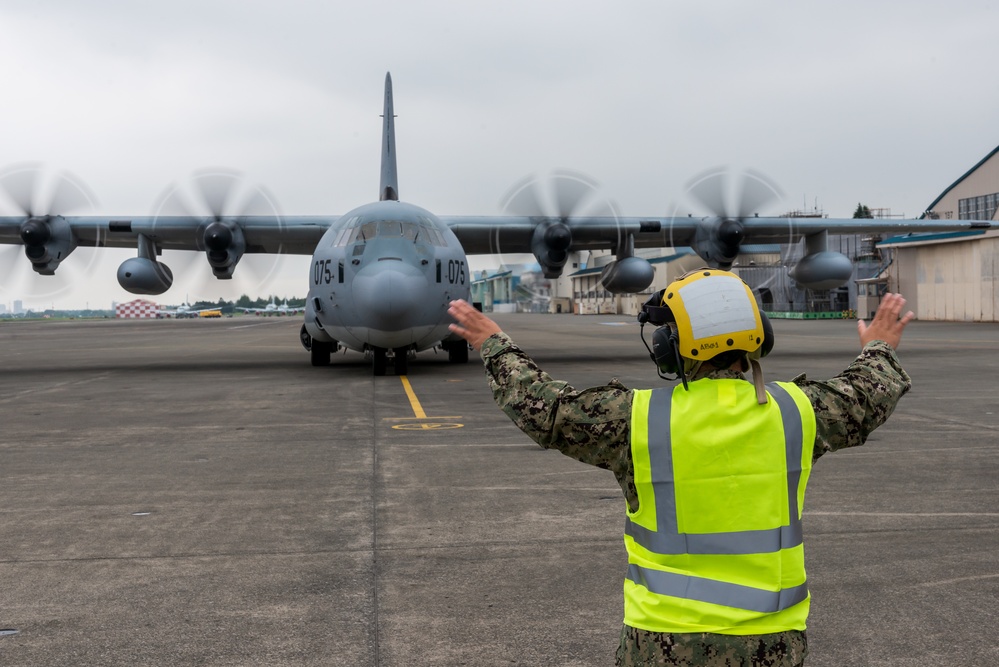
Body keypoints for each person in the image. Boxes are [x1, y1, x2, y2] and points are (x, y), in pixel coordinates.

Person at [447, 268, 914, 667]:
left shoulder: (638, 419)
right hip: (771, 643)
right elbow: (868, 395)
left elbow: (545, 411)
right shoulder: (796, 413)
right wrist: (879, 348)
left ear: (674, 347)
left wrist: (495, 345)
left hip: (663, 644)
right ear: (761, 335)